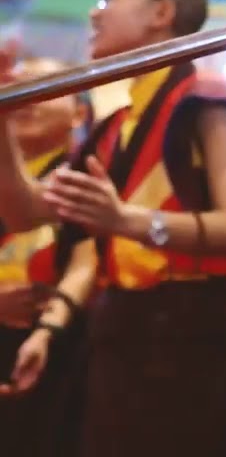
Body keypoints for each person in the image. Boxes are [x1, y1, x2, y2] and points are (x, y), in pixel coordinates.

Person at [0, 0, 226, 457]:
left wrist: (124, 220)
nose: (94, 12)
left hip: (197, 339)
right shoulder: (117, 129)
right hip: (125, 334)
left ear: (161, 12)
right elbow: (25, 212)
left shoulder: (207, 100)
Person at [0, 58, 90, 457]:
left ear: (80, 113)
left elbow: (90, 260)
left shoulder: (89, 175)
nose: (27, 98)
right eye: (18, 86)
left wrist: (49, 328)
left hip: (56, 351)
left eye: (45, 86)